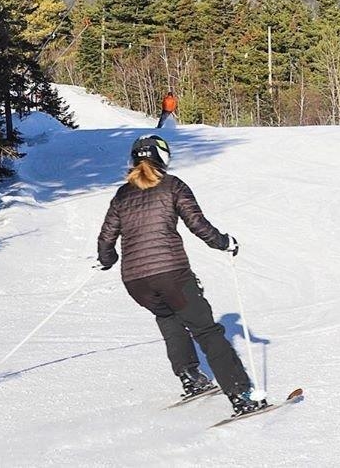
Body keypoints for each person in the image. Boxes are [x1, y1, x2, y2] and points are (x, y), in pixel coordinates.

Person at [96, 134, 265, 416]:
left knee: (168, 318)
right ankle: (241, 395)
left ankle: (190, 377)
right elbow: (197, 223)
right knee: (207, 331)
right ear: (163, 157)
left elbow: (106, 240)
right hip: (171, 274)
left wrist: (107, 260)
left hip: (136, 282)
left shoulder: (122, 194)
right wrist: (224, 242)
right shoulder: (172, 186)